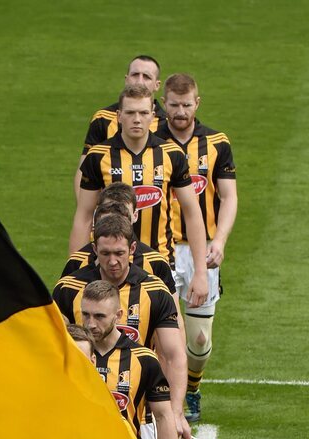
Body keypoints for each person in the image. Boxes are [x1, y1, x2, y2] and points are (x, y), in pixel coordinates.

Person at [54, 213, 191, 439]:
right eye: (105, 253)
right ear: (94, 249)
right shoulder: (69, 288)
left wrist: (176, 412)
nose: (113, 261)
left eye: (119, 253)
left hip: (139, 414)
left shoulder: (154, 290)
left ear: (133, 249)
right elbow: (54, 346)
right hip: (77, 410)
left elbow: (173, 355)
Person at [70, 84, 208, 303]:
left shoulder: (172, 154)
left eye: (143, 113)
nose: (137, 119)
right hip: (107, 264)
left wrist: (201, 272)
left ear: (153, 116)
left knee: (169, 334)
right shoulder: (98, 156)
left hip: (159, 264)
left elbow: (192, 213)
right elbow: (84, 215)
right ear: (119, 116)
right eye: (130, 112)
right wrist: (74, 270)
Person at [159, 72, 238, 422]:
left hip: (199, 250)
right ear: (163, 104)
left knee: (200, 341)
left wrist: (218, 242)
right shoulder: (149, 141)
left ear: (197, 103)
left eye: (186, 105)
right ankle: (162, 397)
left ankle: (192, 387)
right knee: (156, 331)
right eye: (173, 105)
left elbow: (229, 196)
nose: (179, 112)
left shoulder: (217, 143)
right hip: (158, 248)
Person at [80, 280, 179, 439]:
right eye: (85, 315)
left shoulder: (144, 360)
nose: (90, 324)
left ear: (118, 315)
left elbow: (163, 415)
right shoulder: (68, 354)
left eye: (99, 316)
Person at [73, 55, 166, 198]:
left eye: (146, 77)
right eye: (135, 74)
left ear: (157, 85)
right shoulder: (103, 119)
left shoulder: (168, 122)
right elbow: (84, 171)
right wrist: (88, 215)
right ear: (126, 79)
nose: (139, 81)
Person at [62, 183, 177, 293]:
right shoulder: (77, 261)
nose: (114, 222)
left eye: (122, 213)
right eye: (109, 214)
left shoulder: (155, 263)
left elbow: (171, 311)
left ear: (135, 216)